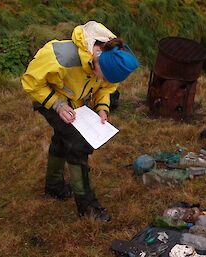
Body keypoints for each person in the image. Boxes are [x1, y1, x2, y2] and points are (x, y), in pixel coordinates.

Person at [21, 21, 139, 221]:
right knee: (79, 146)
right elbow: (31, 82)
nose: (105, 82)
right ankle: (88, 208)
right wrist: (57, 105)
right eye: (104, 77)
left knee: (62, 138)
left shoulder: (114, 57)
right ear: (96, 62)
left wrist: (102, 107)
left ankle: (54, 187)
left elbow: (106, 88)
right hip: (49, 98)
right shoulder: (60, 56)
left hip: (77, 104)